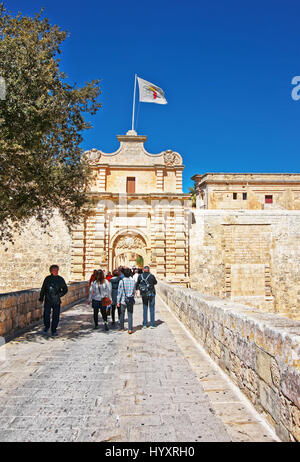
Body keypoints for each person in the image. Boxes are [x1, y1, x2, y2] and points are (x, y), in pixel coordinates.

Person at [39, 265, 68, 337]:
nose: (56, 271)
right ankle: (46, 327)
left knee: (56, 316)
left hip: (56, 301)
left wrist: (59, 295)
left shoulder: (60, 279)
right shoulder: (47, 279)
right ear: (51, 271)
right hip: (48, 300)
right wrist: (41, 298)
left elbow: (65, 289)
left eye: (57, 270)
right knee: (46, 314)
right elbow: (43, 289)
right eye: (55, 270)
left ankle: (54, 329)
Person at [117, 268, 136, 334]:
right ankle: (130, 329)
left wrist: (118, 301)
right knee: (130, 314)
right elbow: (134, 291)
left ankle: (122, 328)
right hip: (130, 299)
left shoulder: (121, 281)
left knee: (122, 314)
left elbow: (120, 292)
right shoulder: (133, 281)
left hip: (123, 300)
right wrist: (132, 297)